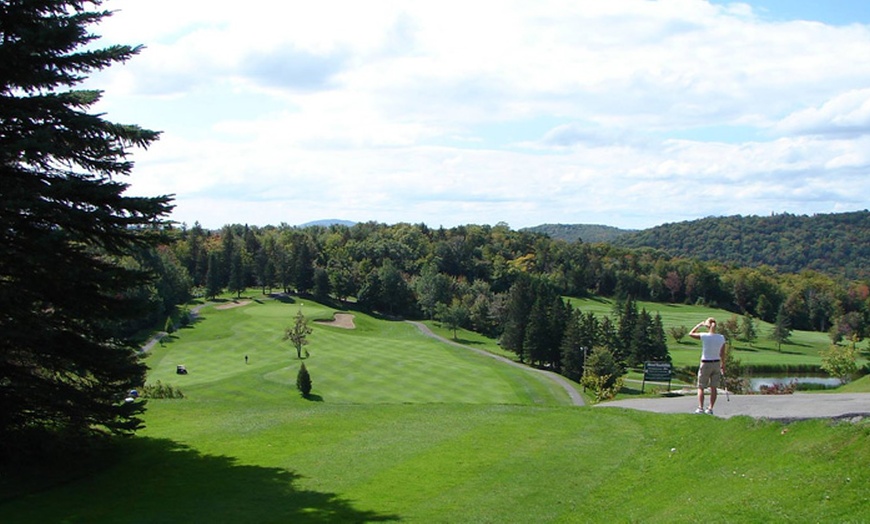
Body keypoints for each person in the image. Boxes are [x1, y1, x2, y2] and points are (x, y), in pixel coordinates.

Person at [688, 317, 726, 414]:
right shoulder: (721, 337)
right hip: (716, 363)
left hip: (706, 363)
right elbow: (722, 353)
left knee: (701, 387)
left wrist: (699, 325)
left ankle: (700, 408)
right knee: (714, 388)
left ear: (707, 326)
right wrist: (723, 364)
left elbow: (690, 333)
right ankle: (710, 408)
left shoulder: (704, 336)